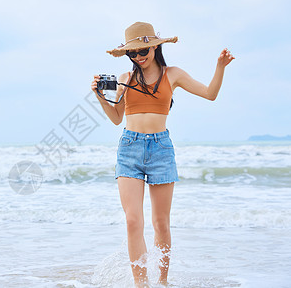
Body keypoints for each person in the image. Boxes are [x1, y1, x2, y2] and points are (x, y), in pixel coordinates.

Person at [90, 22, 235, 287]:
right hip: (129, 149)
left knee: (161, 224)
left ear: (155, 46)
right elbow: (115, 118)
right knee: (133, 221)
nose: (138, 56)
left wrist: (220, 67)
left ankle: (163, 282)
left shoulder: (173, 74)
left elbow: (210, 94)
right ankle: (141, 285)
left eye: (142, 50)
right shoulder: (125, 79)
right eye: (132, 53)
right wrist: (100, 96)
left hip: (161, 149)